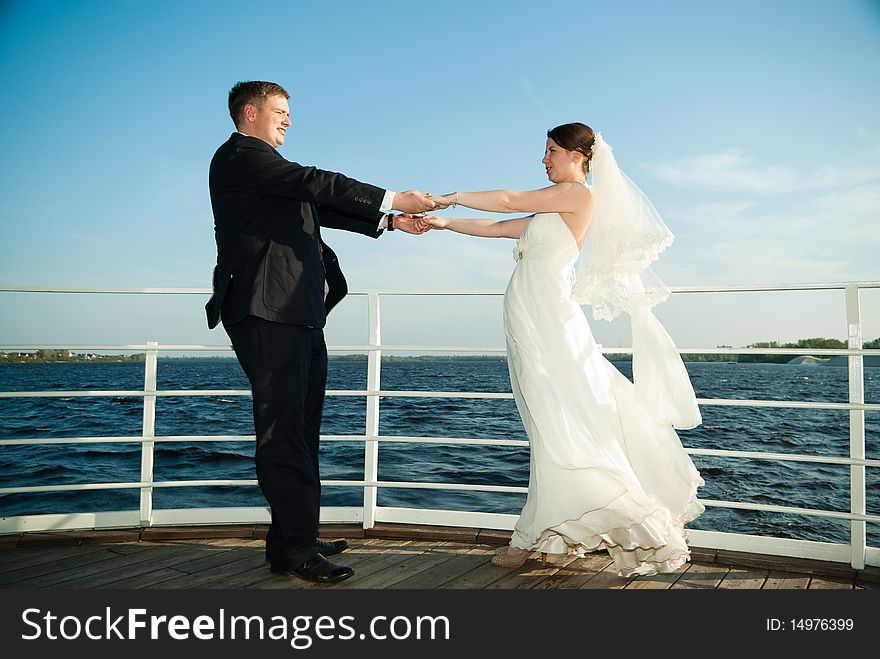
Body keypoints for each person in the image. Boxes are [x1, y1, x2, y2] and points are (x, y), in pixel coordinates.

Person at [417, 123, 705, 577]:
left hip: (550, 321)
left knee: (559, 422)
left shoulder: (578, 195)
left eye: (551, 151)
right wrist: (444, 222)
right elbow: (499, 226)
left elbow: (510, 200)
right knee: (548, 424)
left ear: (578, 155)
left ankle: (534, 535)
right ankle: (561, 537)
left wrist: (450, 196)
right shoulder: (551, 206)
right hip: (532, 321)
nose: (544, 159)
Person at [206, 80, 434, 584]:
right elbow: (316, 183)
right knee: (283, 430)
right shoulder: (240, 157)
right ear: (249, 113)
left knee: (302, 428)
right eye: (281, 111)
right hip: (267, 312)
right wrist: (393, 195)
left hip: (298, 311)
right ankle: (298, 549)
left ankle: (291, 536)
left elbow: (317, 207)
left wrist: (391, 222)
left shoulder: (268, 174)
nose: (289, 120)